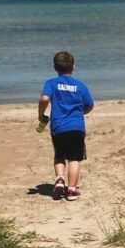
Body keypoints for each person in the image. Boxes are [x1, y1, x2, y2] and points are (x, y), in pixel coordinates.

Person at [38, 51, 94, 201]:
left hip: (58, 126)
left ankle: (60, 180)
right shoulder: (80, 85)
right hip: (76, 127)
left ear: (55, 67)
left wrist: (41, 115)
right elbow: (89, 105)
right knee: (74, 159)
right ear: (73, 66)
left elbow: (44, 99)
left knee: (59, 156)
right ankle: (71, 189)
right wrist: (80, 112)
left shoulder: (51, 83)